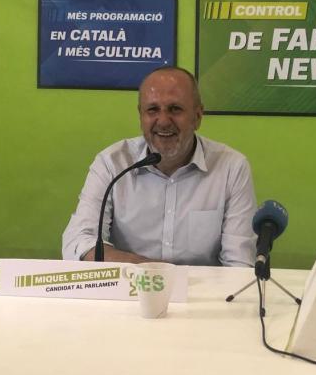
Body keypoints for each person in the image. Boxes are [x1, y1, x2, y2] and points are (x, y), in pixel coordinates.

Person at [62, 66, 256, 266]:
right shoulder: (112, 163)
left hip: (202, 287)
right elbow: (79, 241)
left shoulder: (231, 168)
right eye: (152, 110)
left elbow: (239, 263)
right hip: (131, 284)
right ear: (141, 116)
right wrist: (153, 271)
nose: (163, 121)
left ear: (197, 117)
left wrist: (170, 277)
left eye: (175, 109)